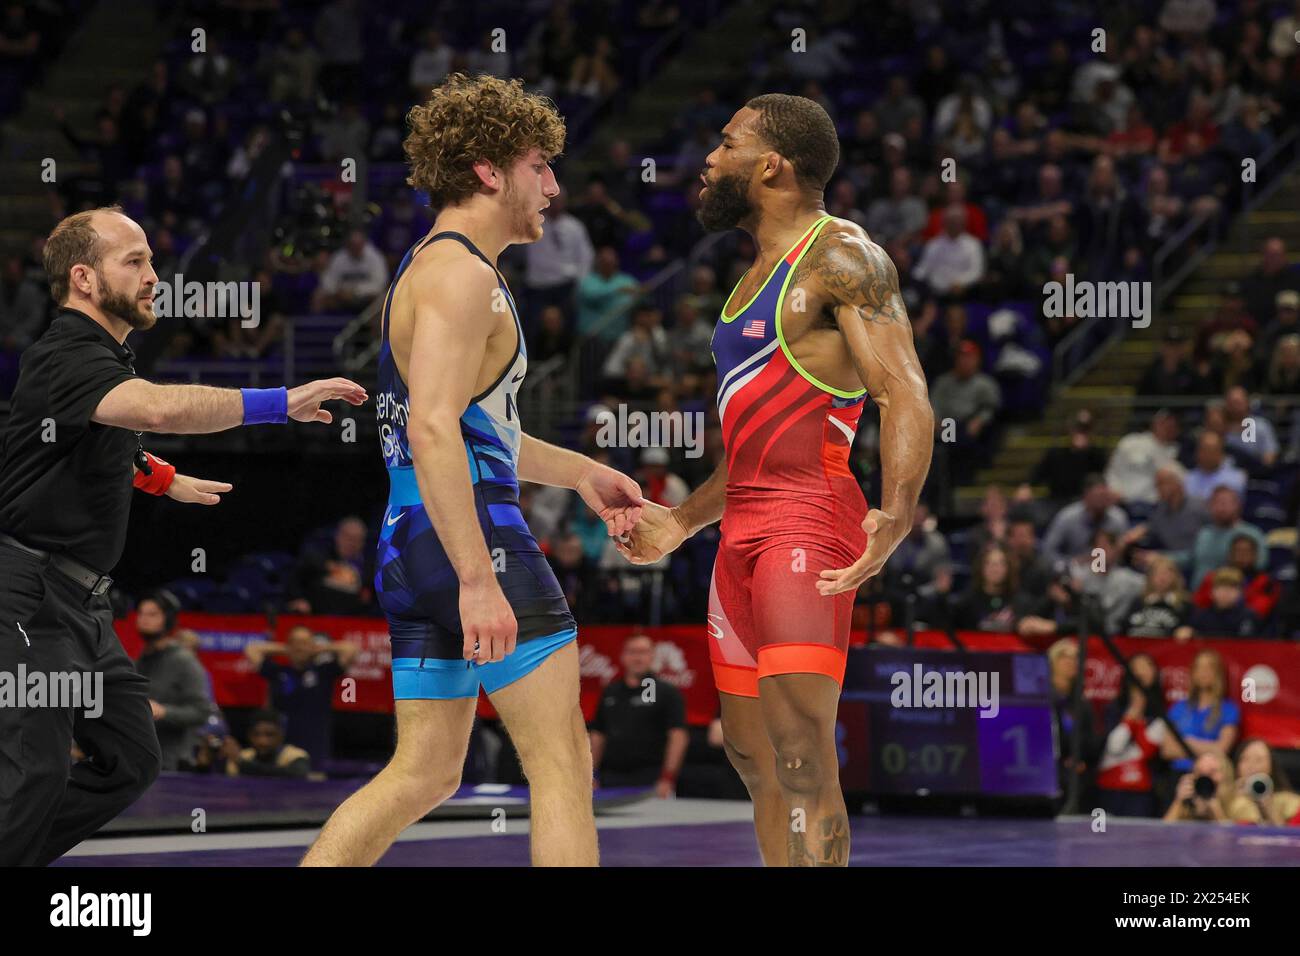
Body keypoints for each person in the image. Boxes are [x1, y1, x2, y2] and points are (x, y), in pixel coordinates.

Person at [303, 74, 644, 868]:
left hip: (410, 546)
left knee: (423, 771)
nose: (553, 187)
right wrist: (477, 578)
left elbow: (472, 429)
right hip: (473, 546)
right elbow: (429, 428)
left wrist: (584, 473)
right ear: (489, 170)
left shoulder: (428, 268)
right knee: (563, 766)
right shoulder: (464, 277)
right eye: (539, 166)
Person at [618, 93, 933, 866]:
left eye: (726, 145)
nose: (709, 161)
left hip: (808, 521)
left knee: (801, 754)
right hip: (741, 533)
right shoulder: (749, 279)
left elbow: (906, 393)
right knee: (755, 762)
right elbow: (749, 451)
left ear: (771, 165)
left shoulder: (842, 255)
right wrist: (682, 523)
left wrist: (896, 512)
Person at [0, 205, 365, 866]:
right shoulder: (65, 352)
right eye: (133, 261)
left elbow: (99, 442)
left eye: (150, 259)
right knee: (35, 776)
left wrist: (160, 477)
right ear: (83, 279)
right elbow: (157, 408)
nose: (152, 276)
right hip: (26, 597)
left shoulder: (102, 357)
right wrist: (278, 401)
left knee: (133, 760)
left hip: (81, 604)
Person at [244, 625, 359, 768]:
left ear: (313, 645)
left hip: (315, 747)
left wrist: (318, 649)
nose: (299, 647)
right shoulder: (277, 672)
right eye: (295, 643)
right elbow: (252, 649)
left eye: (304, 643)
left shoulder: (324, 672)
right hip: (283, 752)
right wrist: (287, 650)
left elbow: (351, 649)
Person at [588, 634, 689, 796]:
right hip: (610, 779)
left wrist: (667, 778)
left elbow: (678, 737)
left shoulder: (667, 692)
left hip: (651, 780)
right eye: (632, 652)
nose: (638, 658)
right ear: (623, 656)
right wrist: (591, 775)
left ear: (652, 656)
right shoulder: (610, 692)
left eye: (643, 652)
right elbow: (598, 736)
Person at [133, 590, 214, 770]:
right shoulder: (139, 661)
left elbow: (201, 711)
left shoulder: (183, 661)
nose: (144, 618)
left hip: (170, 762)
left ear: (168, 620)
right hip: (140, 757)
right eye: (141, 613)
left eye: (152, 614)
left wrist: (164, 711)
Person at [1096, 653, 1167, 817]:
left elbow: (1147, 751)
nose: (1141, 673)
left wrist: (1139, 721)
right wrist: (1130, 717)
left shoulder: (1159, 714)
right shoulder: (1114, 709)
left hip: (1142, 790)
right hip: (1111, 786)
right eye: (1136, 668)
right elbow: (1114, 746)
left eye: (1146, 667)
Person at [1160, 649, 1240, 774]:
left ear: (1218, 673)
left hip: (1211, 774)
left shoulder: (1229, 709)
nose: (1204, 672)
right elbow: (1167, 750)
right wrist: (1208, 747)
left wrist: (1185, 741)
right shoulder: (1178, 708)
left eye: (1209, 668)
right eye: (1199, 668)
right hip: (1177, 774)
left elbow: (1221, 750)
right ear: (1193, 673)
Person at [1230, 738, 1300, 825]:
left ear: (1271, 766)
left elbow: (1288, 835)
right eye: (1245, 759)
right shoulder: (1226, 797)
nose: (1251, 765)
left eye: (1259, 760)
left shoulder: (1289, 800)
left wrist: (1269, 808)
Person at [225, 710, 312, 779]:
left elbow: (297, 775)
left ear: (281, 735)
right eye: (256, 734)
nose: (262, 741)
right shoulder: (244, 756)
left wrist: (242, 764)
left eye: (270, 734)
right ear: (249, 736)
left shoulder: (295, 755)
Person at [1162, 749, 1236, 823]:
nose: (1205, 778)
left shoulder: (1237, 804)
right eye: (1199, 773)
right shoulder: (1186, 805)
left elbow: (1235, 834)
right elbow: (1163, 832)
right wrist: (1178, 801)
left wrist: (1216, 811)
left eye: (1212, 772)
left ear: (1226, 776)